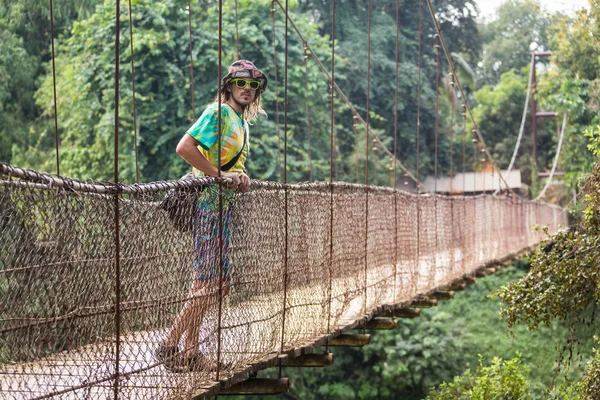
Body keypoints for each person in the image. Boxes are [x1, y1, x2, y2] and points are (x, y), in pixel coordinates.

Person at [156, 60, 268, 372]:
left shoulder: (241, 122)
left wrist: (239, 175)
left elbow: (227, 162)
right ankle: (168, 345)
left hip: (223, 205)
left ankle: (190, 352)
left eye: (253, 85)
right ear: (229, 86)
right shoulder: (219, 112)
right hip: (208, 205)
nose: (247, 89)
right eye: (241, 83)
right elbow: (185, 148)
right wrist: (220, 175)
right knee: (217, 285)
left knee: (203, 282)